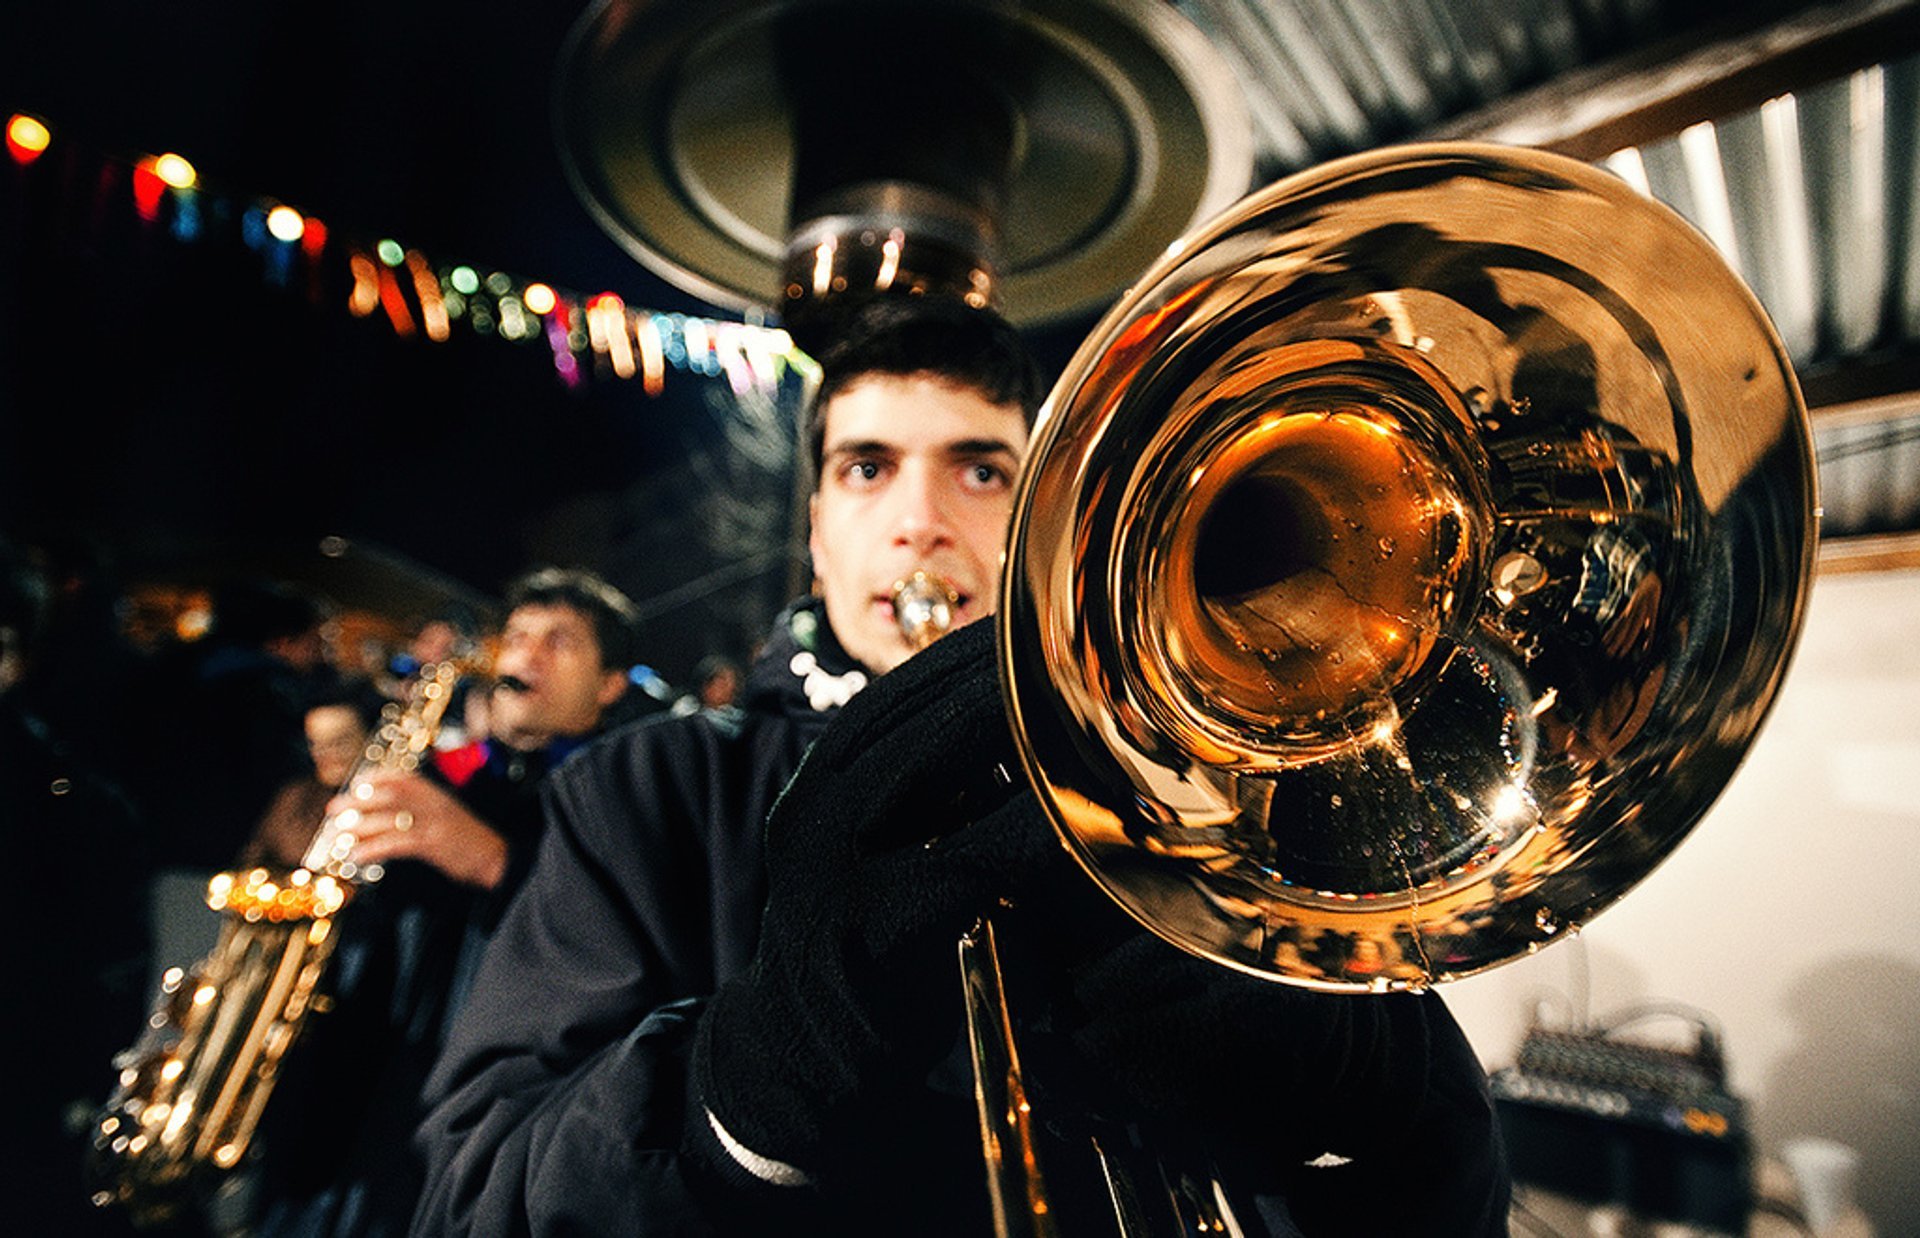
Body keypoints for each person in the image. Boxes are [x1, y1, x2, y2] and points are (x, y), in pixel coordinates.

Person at [411, 297, 1510, 1236]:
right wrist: (743, 1086)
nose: (921, 522)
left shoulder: (1210, 783)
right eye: (867, 467)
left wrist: (1349, 1081)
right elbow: (468, 1195)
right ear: (820, 531)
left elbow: (1460, 1192)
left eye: (981, 470)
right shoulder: (647, 788)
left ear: (1040, 517)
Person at [239, 567, 643, 1238]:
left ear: (610, 685)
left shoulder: (627, 793)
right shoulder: (452, 773)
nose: (522, 655)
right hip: (353, 1100)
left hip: (469, 1134)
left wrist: (492, 860)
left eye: (559, 642)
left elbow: (623, 947)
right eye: (515, 635)